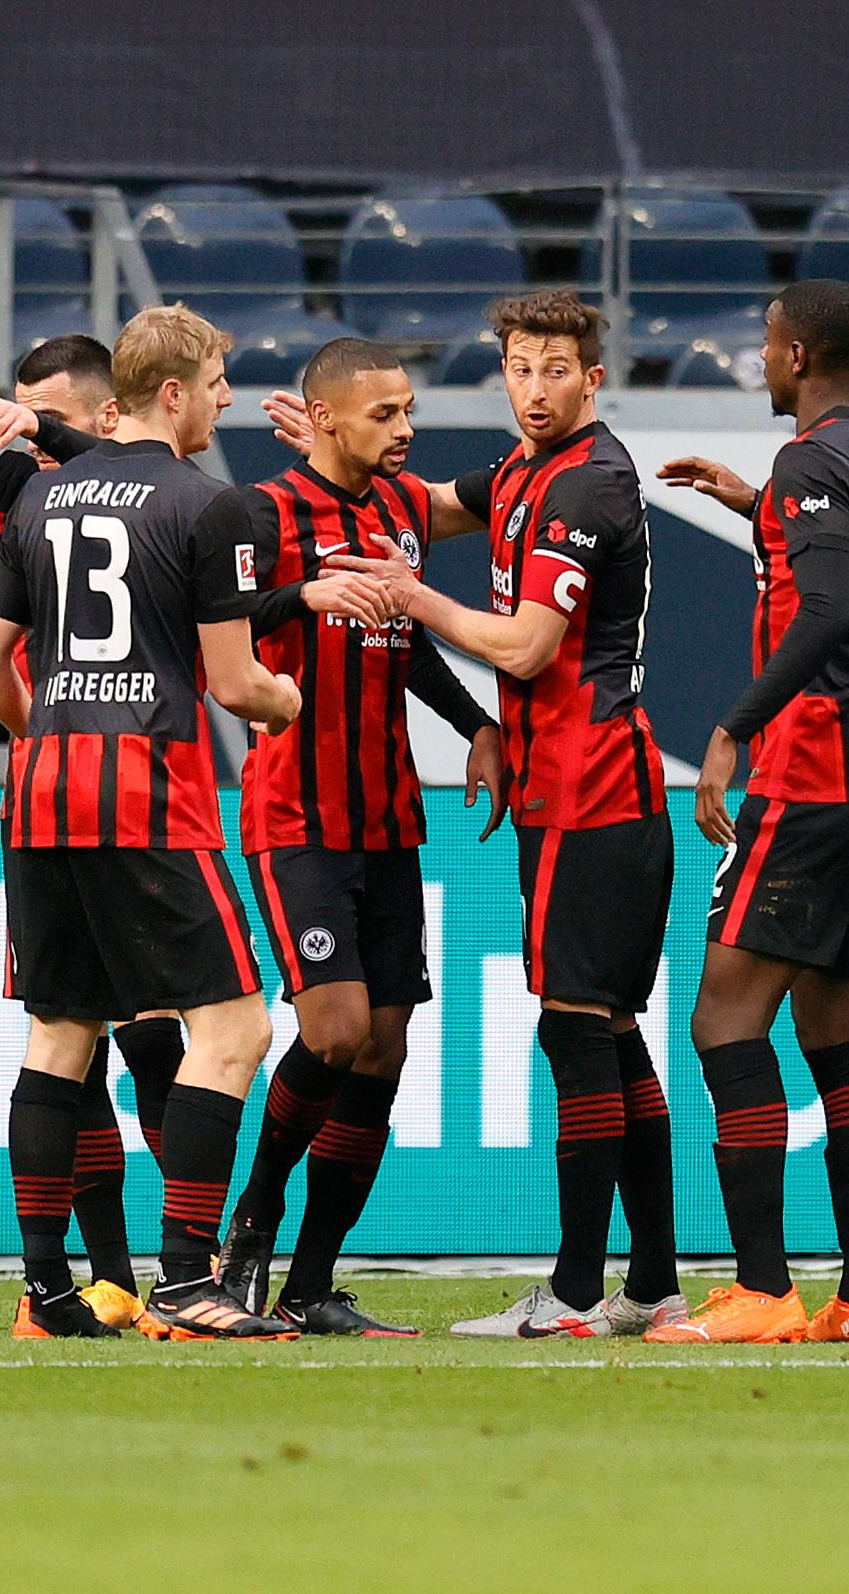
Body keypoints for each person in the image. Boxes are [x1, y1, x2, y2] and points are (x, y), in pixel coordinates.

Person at [311, 289, 683, 1338]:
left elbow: (525, 647)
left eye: (554, 369)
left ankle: (571, 1292)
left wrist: (411, 595)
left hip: (592, 789)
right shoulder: (524, 469)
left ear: (591, 378)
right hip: (572, 791)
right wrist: (343, 453)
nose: (534, 387)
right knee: (608, 1032)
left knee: (576, 1031)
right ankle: (649, 1282)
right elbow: (427, 504)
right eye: (519, 367)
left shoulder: (587, 486)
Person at [0, 305, 304, 1341]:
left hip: (42, 784)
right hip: (144, 786)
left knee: (60, 1030)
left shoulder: (44, 496)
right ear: (171, 392)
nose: (225, 400)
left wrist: (47, 740)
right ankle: (187, 1279)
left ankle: (44, 1290)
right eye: (215, 383)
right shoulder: (214, 506)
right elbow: (239, 684)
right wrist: (284, 703)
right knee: (234, 1027)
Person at [196, 337, 508, 1333]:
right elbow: (209, 613)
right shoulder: (262, 511)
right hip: (295, 815)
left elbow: (401, 640)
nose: (405, 428)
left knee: (381, 1047)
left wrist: (477, 727)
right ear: (320, 416)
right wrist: (302, 595)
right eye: (383, 413)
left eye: (408, 409)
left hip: (386, 820)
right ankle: (252, 1216)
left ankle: (311, 1283)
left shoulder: (402, 513)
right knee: (330, 1028)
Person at [643, 280, 849, 1344]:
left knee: (722, 1015)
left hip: (811, 770)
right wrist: (754, 506)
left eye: (764, 344)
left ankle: (762, 1288)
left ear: (798, 352)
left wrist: (732, 728)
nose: (757, 359)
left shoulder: (811, 460)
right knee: (833, 1022)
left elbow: (826, 609)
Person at [0, 332, 182, 1333]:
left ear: (105, 414)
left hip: (115, 786)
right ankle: (120, 1273)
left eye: (48, 416)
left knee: (132, 1036)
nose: (31, 435)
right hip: (83, 791)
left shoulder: (101, 493)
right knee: (97, 1034)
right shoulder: (18, 500)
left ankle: (129, 1274)